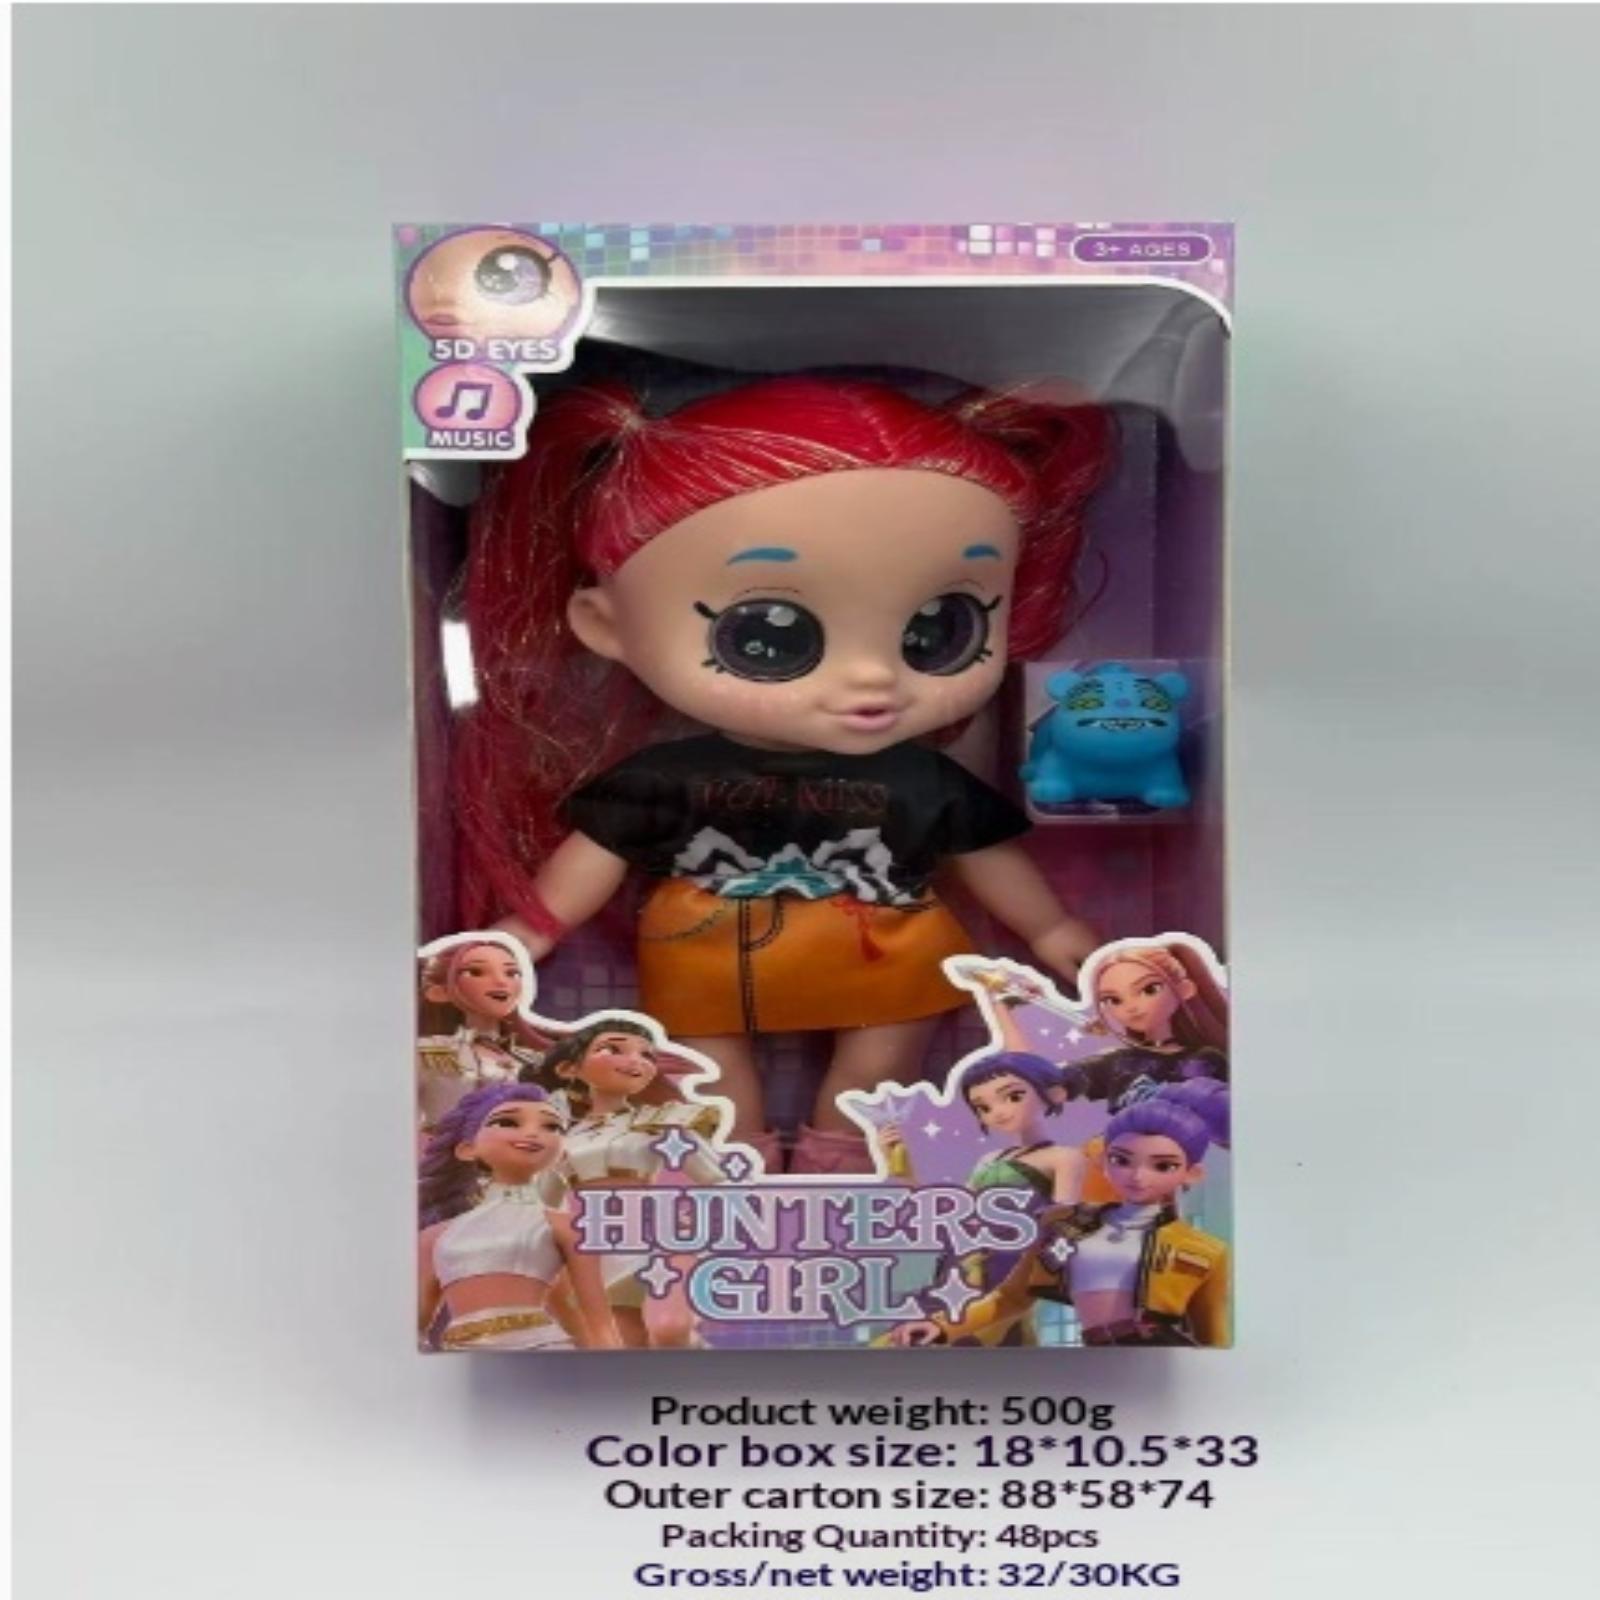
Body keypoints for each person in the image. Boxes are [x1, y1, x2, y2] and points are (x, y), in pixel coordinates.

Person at [454, 376, 1113, 1170]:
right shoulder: (667, 778)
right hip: (712, 948)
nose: (873, 678)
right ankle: (734, 1172)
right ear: (606, 623)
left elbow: (987, 857)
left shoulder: (922, 780)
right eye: (770, 634)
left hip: (882, 945)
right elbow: (595, 855)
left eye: (940, 629)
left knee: (876, 1071)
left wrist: (1051, 930)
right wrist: (531, 929)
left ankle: (847, 1167)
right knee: (712, 1077)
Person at [891, 1080, 1230, 1348]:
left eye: (1163, 1165)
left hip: (1159, 1359)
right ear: (1104, 1161)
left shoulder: (1205, 1252)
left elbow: (1213, 1338)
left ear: (1192, 1173)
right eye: (1122, 1160)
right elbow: (1010, 1299)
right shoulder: (1064, 1224)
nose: (1138, 1176)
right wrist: (940, 1326)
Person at [524, 1016, 724, 1348]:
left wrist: (695, 1219)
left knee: (669, 1327)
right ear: (570, 1069)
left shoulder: (662, 1122)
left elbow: (718, 1180)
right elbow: (542, 1206)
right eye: (613, 1049)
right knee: (627, 1345)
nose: (635, 1061)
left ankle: (708, 1370)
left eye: (646, 1055)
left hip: (660, 1237)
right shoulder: (561, 1140)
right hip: (598, 1249)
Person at [417, 1083, 620, 1351]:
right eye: (508, 1122)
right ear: (467, 1149)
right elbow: (414, 1325)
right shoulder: (436, 1236)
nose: (533, 1133)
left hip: (543, 1352)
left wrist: (612, 1368)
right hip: (462, 1357)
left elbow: (597, 1318)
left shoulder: (565, 1226)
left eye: (552, 1127)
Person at [416, 938, 547, 1135]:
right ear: (439, 992)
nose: (501, 981)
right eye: (476, 972)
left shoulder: (532, 1061)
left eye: (511, 973)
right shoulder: (426, 1051)